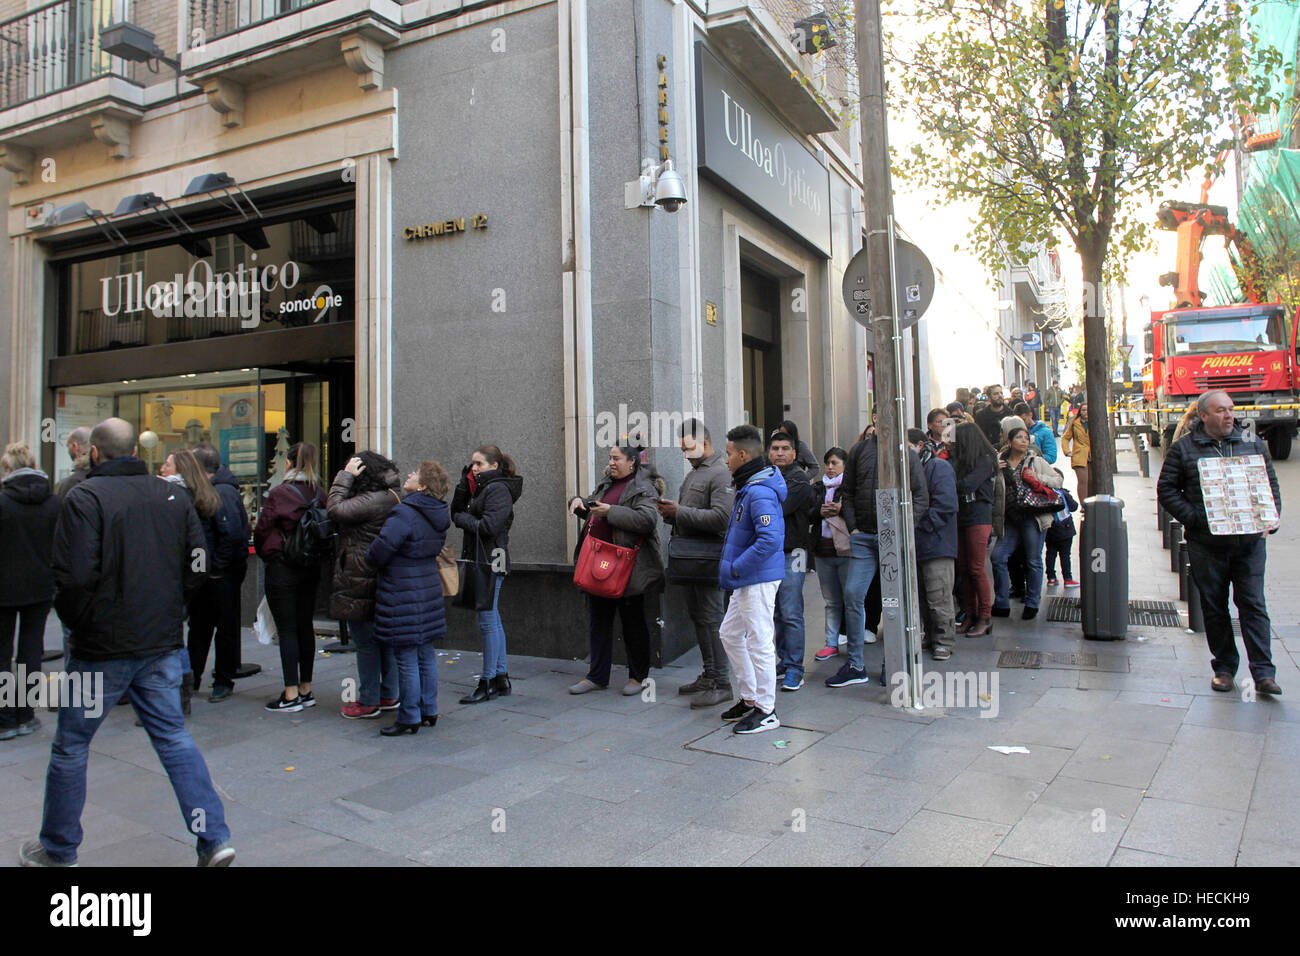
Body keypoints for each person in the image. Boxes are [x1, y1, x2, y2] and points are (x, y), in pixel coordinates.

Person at [22, 418, 233, 867]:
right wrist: (171, 608)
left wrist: (80, 623)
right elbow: (197, 564)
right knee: (173, 738)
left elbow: (74, 575)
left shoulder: (85, 497)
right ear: (135, 451)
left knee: (72, 746)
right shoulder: (171, 495)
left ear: (94, 453)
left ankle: (59, 849)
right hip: (158, 640)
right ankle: (213, 837)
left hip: (104, 646)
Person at [1157, 389, 1282, 695]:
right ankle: (1224, 668)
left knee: (1253, 604)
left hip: (1249, 543)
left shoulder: (1252, 444)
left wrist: (1270, 517)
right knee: (1214, 607)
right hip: (1207, 545)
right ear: (1203, 416)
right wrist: (1196, 518)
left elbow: (1269, 483)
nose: (1229, 415)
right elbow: (1167, 489)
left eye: (1230, 409)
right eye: (1221, 410)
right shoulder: (1184, 449)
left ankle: (1264, 673)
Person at [835, 418, 930, 687]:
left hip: (893, 538)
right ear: (874, 418)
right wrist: (853, 527)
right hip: (863, 536)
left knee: (893, 601)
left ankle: (894, 662)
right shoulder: (859, 451)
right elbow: (848, 491)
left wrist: (904, 528)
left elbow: (921, 497)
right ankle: (855, 663)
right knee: (853, 594)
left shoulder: (907, 455)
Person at [566, 445, 666, 695]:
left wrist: (611, 512)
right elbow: (594, 509)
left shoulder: (644, 487)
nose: (611, 463)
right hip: (598, 563)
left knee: (633, 623)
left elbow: (646, 520)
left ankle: (638, 677)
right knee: (598, 622)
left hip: (629, 567)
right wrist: (580, 503)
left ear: (632, 462)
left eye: (616, 458)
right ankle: (597, 676)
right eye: (610, 458)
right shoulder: (606, 483)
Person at [367, 461, 450, 734]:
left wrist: (372, 558)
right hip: (427, 586)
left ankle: (409, 716)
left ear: (423, 485)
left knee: (405, 655)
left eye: (416, 474)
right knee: (425, 653)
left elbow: (381, 550)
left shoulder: (404, 512)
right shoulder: (437, 513)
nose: (410, 475)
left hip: (401, 589)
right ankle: (430, 709)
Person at [658, 419, 734, 709]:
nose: (684, 455)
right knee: (700, 618)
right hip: (692, 559)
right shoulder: (696, 473)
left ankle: (722, 682)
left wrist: (680, 512)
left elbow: (721, 519)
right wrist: (671, 514)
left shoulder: (720, 473)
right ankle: (710, 674)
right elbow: (691, 514)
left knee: (712, 619)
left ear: (704, 443)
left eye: (688, 449)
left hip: (708, 559)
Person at [715, 425, 786, 733]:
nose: (726, 460)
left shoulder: (758, 491)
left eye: (729, 454)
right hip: (747, 578)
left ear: (743, 455)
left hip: (755, 578)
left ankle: (767, 710)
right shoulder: (748, 487)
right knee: (730, 634)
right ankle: (750, 698)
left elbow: (770, 539)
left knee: (759, 641)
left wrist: (737, 567)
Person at [327, 451, 402, 719]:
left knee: (366, 642)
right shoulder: (392, 495)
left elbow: (335, 509)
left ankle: (369, 699)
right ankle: (389, 693)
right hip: (382, 575)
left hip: (361, 575)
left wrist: (345, 476)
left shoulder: (370, 501)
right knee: (384, 641)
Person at [253, 441, 327, 713]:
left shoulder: (281, 492)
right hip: (310, 567)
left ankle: (290, 692)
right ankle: (306, 689)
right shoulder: (319, 493)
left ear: (288, 463)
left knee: (287, 629)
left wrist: (269, 554)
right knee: (305, 625)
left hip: (283, 567)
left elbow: (262, 529)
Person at [451, 444, 523, 704]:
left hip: (491, 560)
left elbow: (489, 526)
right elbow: (455, 510)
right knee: (492, 619)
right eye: (472, 464)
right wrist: (462, 485)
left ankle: (488, 680)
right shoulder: (480, 487)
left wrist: (462, 519)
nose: (473, 468)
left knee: (487, 621)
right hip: (484, 559)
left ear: (494, 465)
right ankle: (500, 677)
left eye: (479, 464)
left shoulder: (498, 489)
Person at [0, 443, 60, 739]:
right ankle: (26, 713)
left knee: (1, 654)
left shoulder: (3, 502)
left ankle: (4, 718)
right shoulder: (53, 502)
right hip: (40, 587)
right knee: (30, 651)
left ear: (8, 468)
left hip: (4, 589)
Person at [160, 448, 222, 716]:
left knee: (168, 642)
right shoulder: (197, 496)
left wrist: (185, 583)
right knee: (178, 639)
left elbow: (197, 550)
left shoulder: (172, 498)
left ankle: (172, 697)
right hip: (186, 581)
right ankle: (182, 693)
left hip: (173, 581)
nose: (162, 468)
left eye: (168, 463)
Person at [190, 442, 252, 701]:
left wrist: (216, 568)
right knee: (200, 628)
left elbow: (232, 534)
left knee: (221, 628)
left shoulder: (222, 492)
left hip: (219, 574)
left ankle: (222, 679)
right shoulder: (214, 490)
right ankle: (192, 677)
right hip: (210, 572)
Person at [992, 426, 1062, 620]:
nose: (1024, 441)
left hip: (1033, 516)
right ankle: (1001, 602)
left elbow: (1058, 480)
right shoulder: (999, 462)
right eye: (1019, 438)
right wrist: (994, 470)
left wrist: (1037, 477)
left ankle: (1032, 602)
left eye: (1026, 438)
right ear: (1009, 441)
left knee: (1033, 560)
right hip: (1010, 518)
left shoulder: (1035, 461)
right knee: (997, 557)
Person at [767, 431, 816, 691]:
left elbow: (776, 508)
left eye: (785, 448)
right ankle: (785, 662)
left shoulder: (798, 479)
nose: (779, 453)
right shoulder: (768, 475)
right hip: (771, 553)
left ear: (795, 453)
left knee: (791, 612)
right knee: (777, 613)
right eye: (775, 448)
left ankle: (796, 668)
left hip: (793, 552)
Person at [907, 429, 959, 661]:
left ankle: (944, 640)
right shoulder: (907, 469)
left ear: (919, 445)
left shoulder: (937, 467)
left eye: (908, 446)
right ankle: (931, 636)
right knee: (921, 596)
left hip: (936, 542)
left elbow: (946, 505)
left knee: (938, 595)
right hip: (916, 543)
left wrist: (920, 525)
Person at [951, 423, 998, 637]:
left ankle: (985, 616)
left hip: (978, 516)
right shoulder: (961, 462)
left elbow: (967, 485)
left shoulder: (984, 460)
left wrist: (954, 482)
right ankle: (970, 614)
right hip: (962, 515)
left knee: (977, 568)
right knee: (964, 568)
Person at [811, 447, 851, 662]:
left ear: (844, 465)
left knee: (851, 599)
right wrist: (820, 511)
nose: (830, 467)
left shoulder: (849, 487)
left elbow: (857, 513)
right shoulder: (818, 488)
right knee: (831, 600)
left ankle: (854, 644)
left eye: (835, 463)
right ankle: (831, 643)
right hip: (822, 550)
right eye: (827, 463)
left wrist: (841, 509)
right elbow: (808, 513)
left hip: (845, 551)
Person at [1044, 479, 1080, 588]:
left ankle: (1051, 578)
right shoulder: (1063, 493)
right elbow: (1074, 507)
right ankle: (1067, 579)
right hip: (1066, 529)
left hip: (1050, 529)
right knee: (1065, 555)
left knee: (1050, 553)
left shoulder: (1044, 493)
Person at [1061, 402, 1091, 499]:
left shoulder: (1095, 422)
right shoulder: (1075, 423)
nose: (1085, 412)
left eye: (1087, 410)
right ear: (1080, 411)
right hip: (1079, 455)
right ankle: (1084, 505)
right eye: (1083, 410)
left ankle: (1092, 503)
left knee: (1091, 481)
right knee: (1083, 481)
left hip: (1092, 455)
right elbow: (1065, 438)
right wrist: (1067, 451)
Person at [55, 427, 92, 499]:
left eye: (68, 446)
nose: (68, 451)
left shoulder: (72, 483)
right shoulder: (104, 477)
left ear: (75, 447)